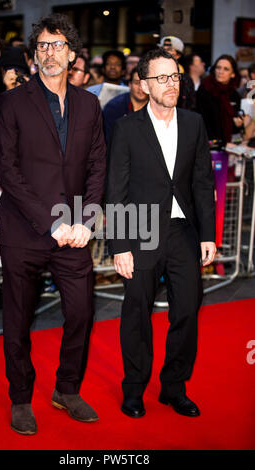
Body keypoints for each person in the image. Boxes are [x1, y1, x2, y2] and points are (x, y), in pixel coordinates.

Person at [0, 13, 106, 435]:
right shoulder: (12, 102)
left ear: (73, 55)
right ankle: (21, 397)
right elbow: (8, 170)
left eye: (58, 46)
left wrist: (88, 219)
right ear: (35, 55)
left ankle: (67, 390)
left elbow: (97, 167)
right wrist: (49, 222)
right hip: (24, 230)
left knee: (81, 310)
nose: (49, 53)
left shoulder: (89, 104)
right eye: (43, 46)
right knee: (17, 319)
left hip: (74, 233)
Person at [106, 47, 216, 419]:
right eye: (162, 78)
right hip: (140, 230)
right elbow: (116, 189)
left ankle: (173, 387)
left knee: (187, 308)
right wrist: (119, 246)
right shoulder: (126, 127)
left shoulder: (194, 122)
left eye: (175, 76)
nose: (172, 84)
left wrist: (208, 234)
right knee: (137, 311)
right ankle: (134, 388)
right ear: (144, 84)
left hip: (183, 230)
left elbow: (202, 182)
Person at [196, 54, 242, 144]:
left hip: (229, 144)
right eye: (218, 68)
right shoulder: (205, 89)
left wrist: (238, 124)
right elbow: (203, 121)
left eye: (226, 69)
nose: (221, 71)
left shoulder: (234, 94)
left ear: (233, 74)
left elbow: (234, 124)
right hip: (207, 143)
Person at [103, 67, 148, 142]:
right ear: (130, 84)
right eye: (137, 83)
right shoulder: (114, 107)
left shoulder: (156, 107)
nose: (141, 88)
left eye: (145, 84)